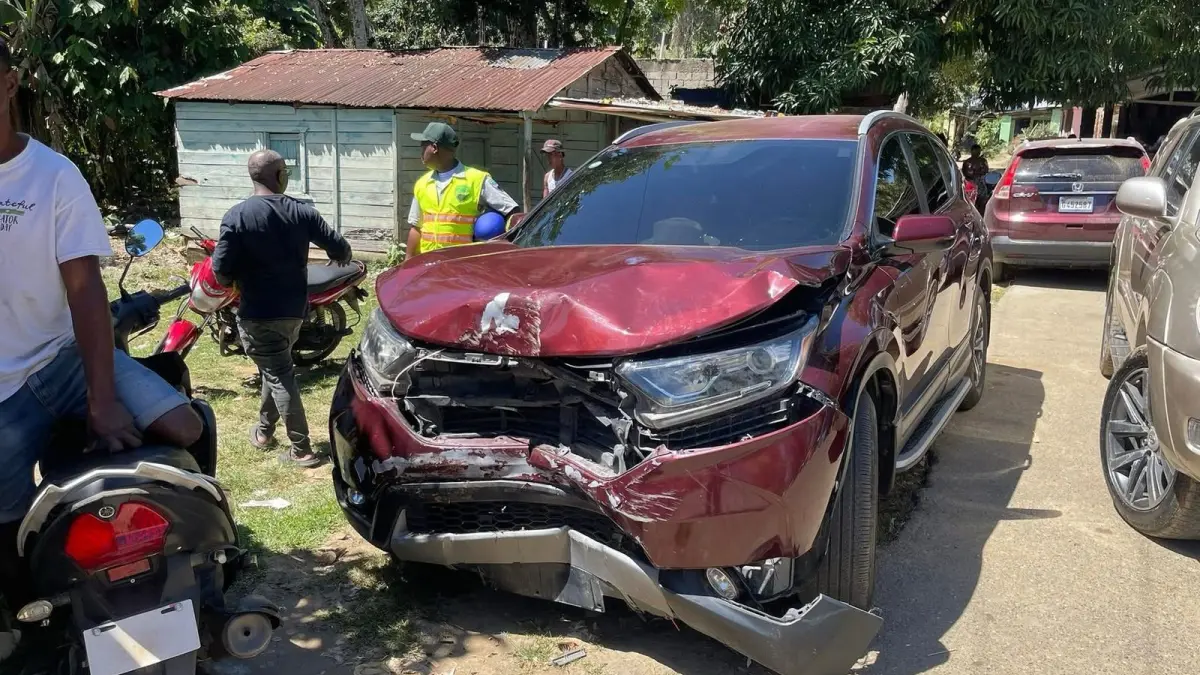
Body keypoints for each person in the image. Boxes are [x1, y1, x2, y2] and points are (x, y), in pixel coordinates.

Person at [0, 37, 202, 644]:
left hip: (63, 358)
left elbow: (86, 290)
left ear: (9, 82)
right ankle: (27, 613)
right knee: (7, 520)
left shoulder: (54, 176)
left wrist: (101, 394)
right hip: (3, 391)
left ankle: (200, 557)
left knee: (185, 427)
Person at [212, 149, 352, 468]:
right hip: (294, 311)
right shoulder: (302, 212)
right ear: (278, 176)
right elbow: (340, 248)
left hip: (257, 313)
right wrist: (338, 257)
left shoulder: (237, 216)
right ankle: (264, 432)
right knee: (276, 369)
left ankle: (301, 449)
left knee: (278, 373)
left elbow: (221, 272)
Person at [405, 122, 518, 260]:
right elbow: (416, 227)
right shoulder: (422, 184)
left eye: (423, 146)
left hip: (462, 264)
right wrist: (407, 261)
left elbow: (513, 212)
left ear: (434, 148)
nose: (420, 152)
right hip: (430, 264)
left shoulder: (477, 179)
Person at [962, 144, 990, 212]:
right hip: (974, 184)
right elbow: (986, 170)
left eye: (978, 151)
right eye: (976, 151)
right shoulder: (980, 161)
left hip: (973, 184)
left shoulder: (968, 162)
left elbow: (965, 172)